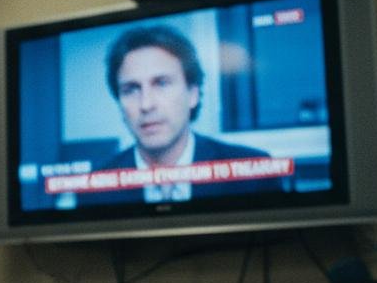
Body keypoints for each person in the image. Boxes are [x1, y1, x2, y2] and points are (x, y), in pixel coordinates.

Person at [89, 24, 284, 203]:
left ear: (193, 94)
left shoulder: (253, 173)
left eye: (162, 83)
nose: (146, 104)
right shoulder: (95, 186)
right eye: (131, 89)